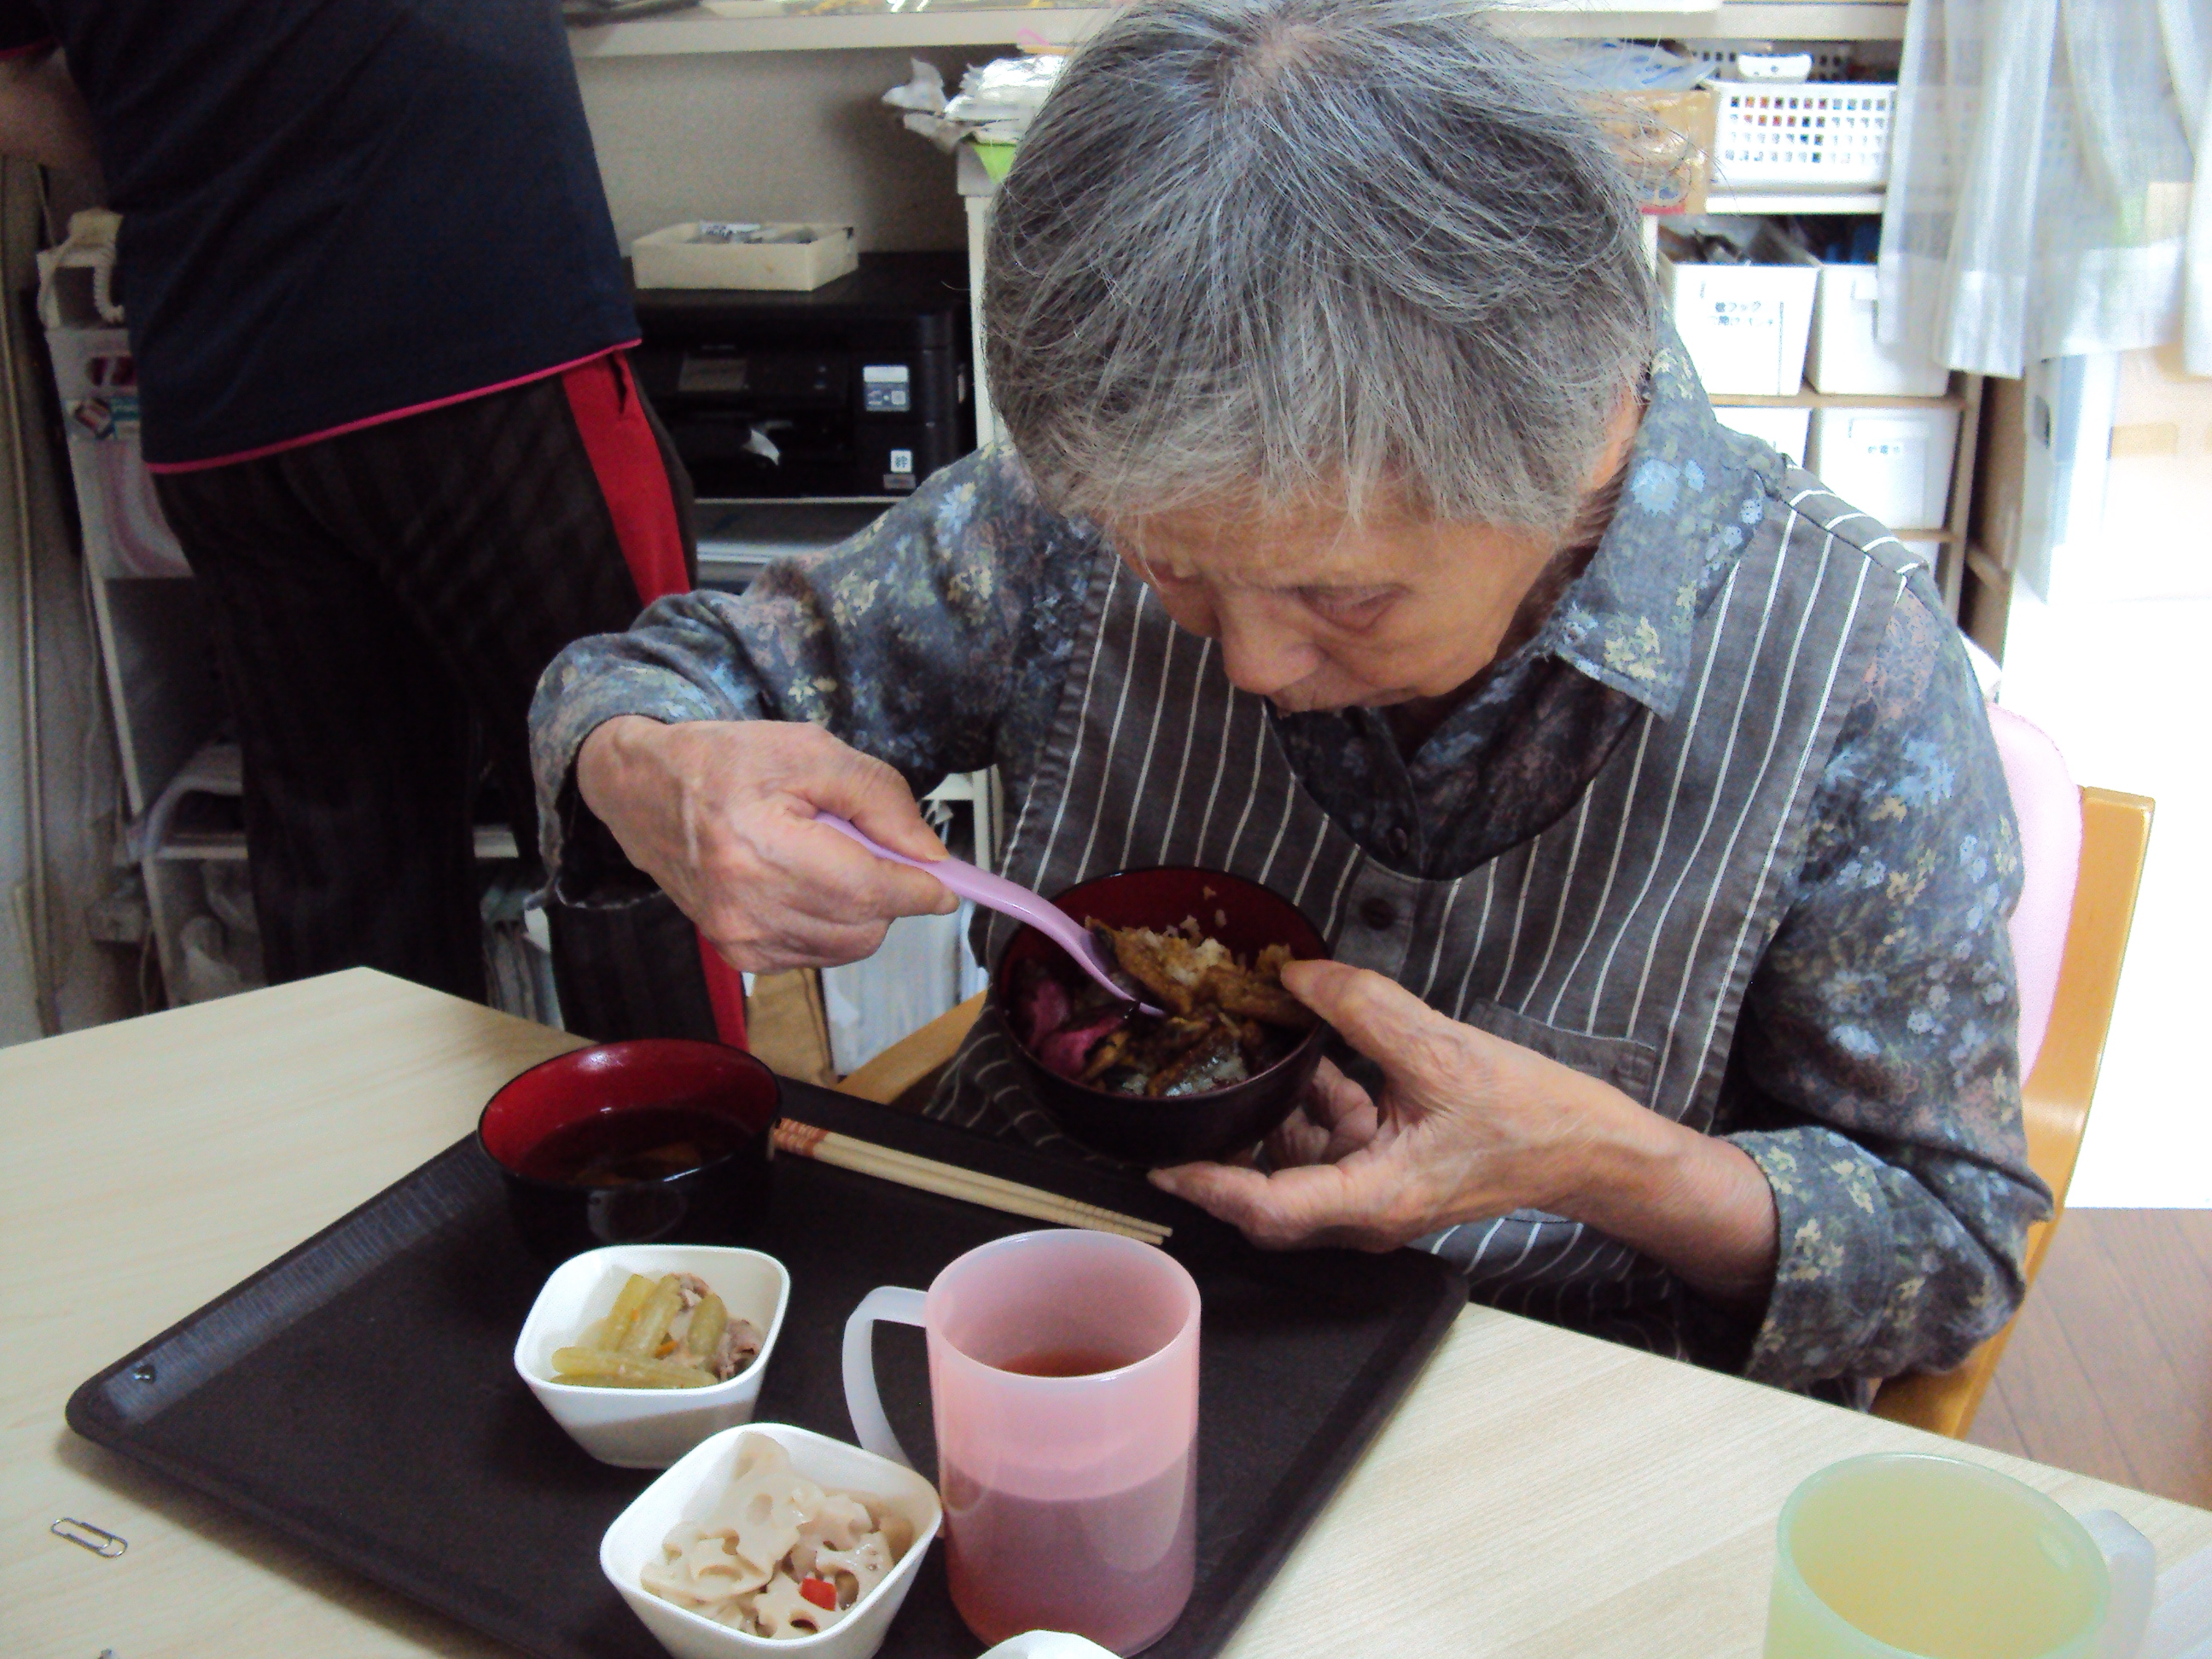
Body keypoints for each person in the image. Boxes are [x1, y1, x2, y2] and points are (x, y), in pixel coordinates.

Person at [529, 0, 2047, 1405]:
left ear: (1589, 436)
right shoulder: (1064, 519)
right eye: (1176, 570)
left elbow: (1947, 1250)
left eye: (1346, 596)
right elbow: (640, 682)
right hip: (1010, 1313)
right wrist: (652, 772)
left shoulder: (1841, 659)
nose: (1249, 665)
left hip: (1521, 1410)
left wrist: (1601, 1161)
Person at [0, 1, 713, 1023]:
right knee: (640, 819)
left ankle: (412, 1145)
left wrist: (203, 148)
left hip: (230, 377)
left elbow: (12, 89)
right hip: (479, 336)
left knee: (345, 870)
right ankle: (692, 1133)